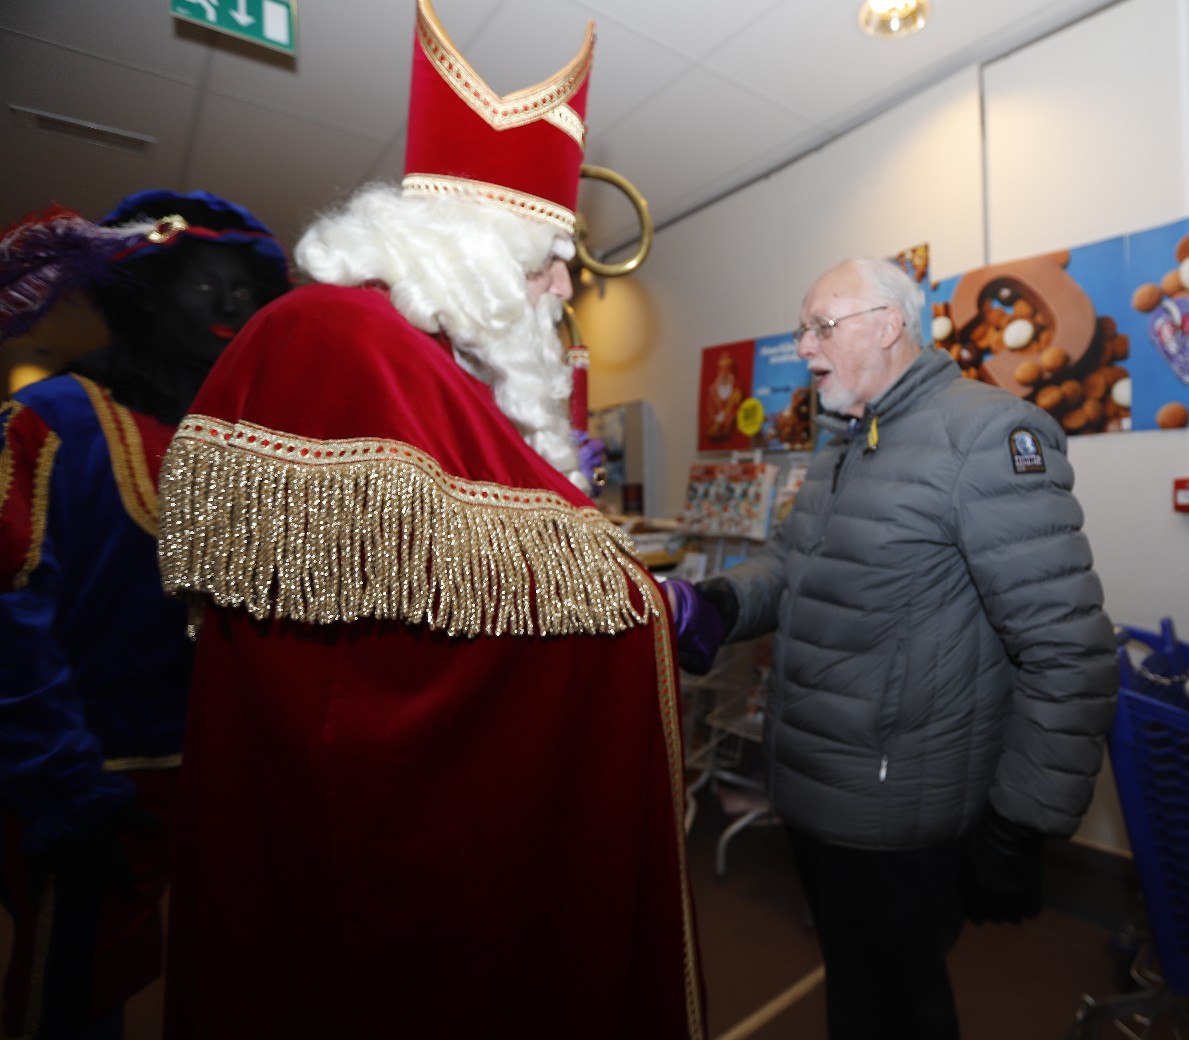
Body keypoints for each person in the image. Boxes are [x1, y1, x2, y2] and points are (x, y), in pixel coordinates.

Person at [153, 4, 704, 1037]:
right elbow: (393, 654)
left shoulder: (433, 364)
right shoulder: (336, 338)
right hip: (366, 850)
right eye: (548, 261)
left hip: (420, 844)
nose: (562, 288)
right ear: (473, 253)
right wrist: (650, 610)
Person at [667, 257, 1118, 1039]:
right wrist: (712, 605)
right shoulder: (844, 440)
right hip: (817, 790)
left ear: (889, 325)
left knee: (894, 1010)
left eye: (821, 326)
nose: (804, 347)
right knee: (861, 995)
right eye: (802, 329)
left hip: (897, 811)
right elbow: (792, 564)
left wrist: (1021, 824)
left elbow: (1067, 649)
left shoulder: (986, 434)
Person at [0, 193, 289, 1039]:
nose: (232, 302)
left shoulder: (244, 447)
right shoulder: (54, 421)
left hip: (209, 787)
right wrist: (67, 789)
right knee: (68, 989)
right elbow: (11, 618)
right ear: (148, 293)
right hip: (84, 783)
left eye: (247, 289)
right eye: (207, 282)